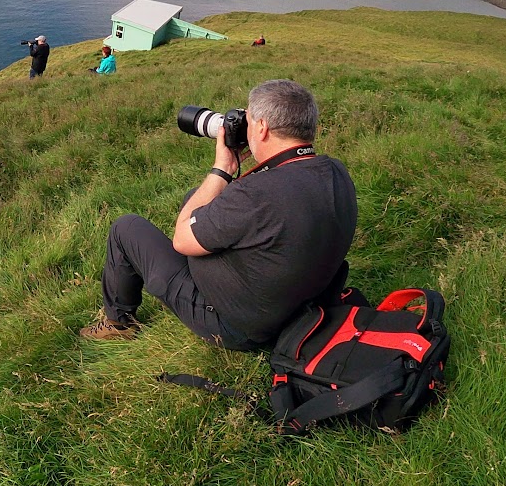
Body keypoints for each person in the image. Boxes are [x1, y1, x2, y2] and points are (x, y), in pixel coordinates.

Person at [79, 79, 356, 351]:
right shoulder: (334, 171)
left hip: (240, 326)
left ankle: (119, 324)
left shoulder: (254, 194)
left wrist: (222, 169)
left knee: (126, 229)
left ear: (261, 128)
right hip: (302, 309)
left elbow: (182, 241)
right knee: (196, 198)